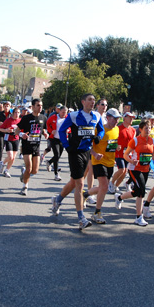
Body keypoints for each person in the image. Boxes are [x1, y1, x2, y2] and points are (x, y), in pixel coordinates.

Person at [51, 93, 104, 230]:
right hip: (75, 152)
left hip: (87, 152)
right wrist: (67, 146)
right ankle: (81, 218)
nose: (93, 103)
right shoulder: (74, 115)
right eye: (90, 100)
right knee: (80, 184)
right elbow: (62, 130)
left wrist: (98, 136)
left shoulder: (97, 116)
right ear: (83, 102)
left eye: (94, 101)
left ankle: (57, 200)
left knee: (74, 182)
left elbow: (102, 130)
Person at [116, 119, 154, 226]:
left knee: (136, 192)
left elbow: (153, 153)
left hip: (145, 169)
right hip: (134, 169)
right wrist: (131, 161)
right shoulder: (135, 141)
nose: (148, 130)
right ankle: (139, 217)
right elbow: (125, 155)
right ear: (140, 129)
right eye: (146, 128)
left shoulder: (153, 141)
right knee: (142, 191)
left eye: (149, 128)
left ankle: (119, 197)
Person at [83, 108, 121, 224]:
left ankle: (86, 194)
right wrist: (95, 154)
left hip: (110, 162)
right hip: (98, 161)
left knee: (103, 188)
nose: (116, 121)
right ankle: (97, 212)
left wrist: (117, 148)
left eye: (117, 119)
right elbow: (88, 145)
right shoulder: (99, 129)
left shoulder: (117, 130)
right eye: (114, 118)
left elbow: (112, 144)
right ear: (108, 117)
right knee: (104, 186)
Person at [15, 99, 48, 196]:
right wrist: (22, 134)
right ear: (33, 107)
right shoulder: (26, 118)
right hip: (27, 146)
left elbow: (42, 129)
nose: (40, 107)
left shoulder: (43, 118)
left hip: (36, 147)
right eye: (38, 105)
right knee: (29, 168)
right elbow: (16, 131)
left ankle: (24, 172)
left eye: (41, 105)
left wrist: (45, 133)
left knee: (35, 170)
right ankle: (25, 187)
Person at [110, 111, 136, 193]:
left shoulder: (133, 130)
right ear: (124, 118)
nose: (131, 119)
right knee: (122, 169)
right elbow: (112, 139)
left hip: (128, 153)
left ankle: (116, 186)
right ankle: (111, 183)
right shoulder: (118, 128)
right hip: (119, 153)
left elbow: (133, 142)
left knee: (125, 172)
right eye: (129, 117)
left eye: (132, 118)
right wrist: (116, 146)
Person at [45, 105, 68, 181]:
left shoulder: (67, 118)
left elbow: (71, 127)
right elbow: (47, 124)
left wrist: (69, 130)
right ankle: (56, 174)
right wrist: (51, 130)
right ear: (59, 111)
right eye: (62, 112)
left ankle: (49, 162)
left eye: (65, 112)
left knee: (58, 157)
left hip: (63, 139)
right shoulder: (54, 117)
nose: (63, 114)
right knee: (56, 155)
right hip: (54, 138)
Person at [0, 107, 21, 178]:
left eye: (18, 113)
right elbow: (0, 128)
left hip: (16, 139)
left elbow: (23, 129)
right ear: (13, 113)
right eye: (15, 112)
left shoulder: (20, 120)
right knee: (10, 156)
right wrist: (7, 130)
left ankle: (6, 170)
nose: (17, 114)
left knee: (13, 158)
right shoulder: (8, 120)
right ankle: (2, 163)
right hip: (8, 139)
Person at [0, 101, 11, 171]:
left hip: (7, 132)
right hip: (0, 131)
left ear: (10, 107)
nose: (6, 107)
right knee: (1, 146)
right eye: (5, 106)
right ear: (3, 107)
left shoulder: (11, 114)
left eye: (8, 106)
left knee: (4, 146)